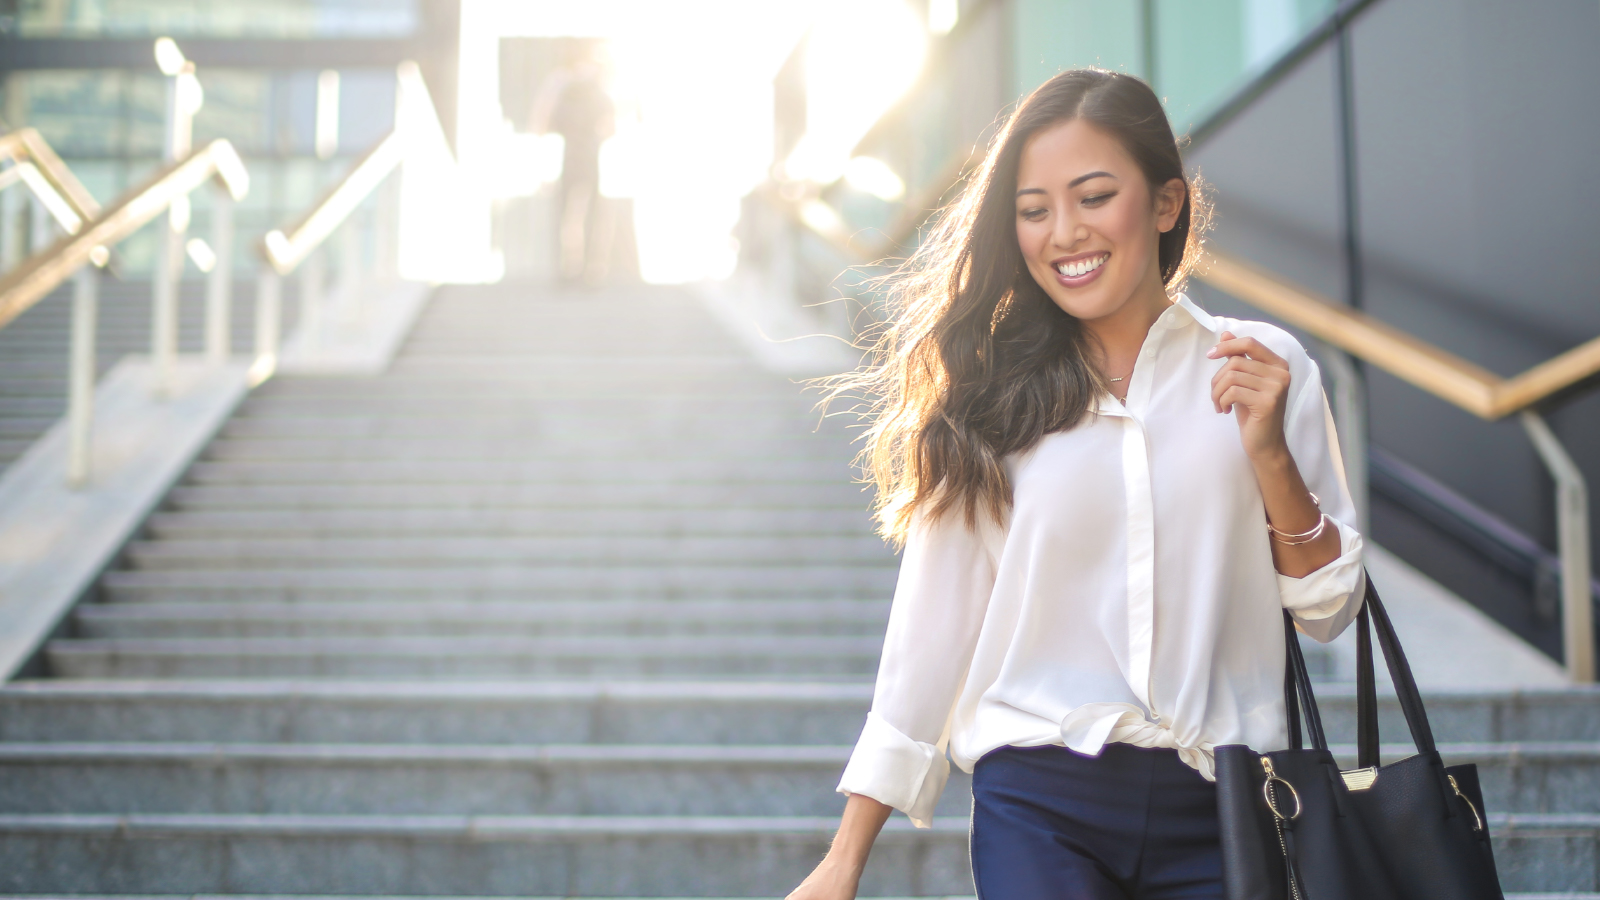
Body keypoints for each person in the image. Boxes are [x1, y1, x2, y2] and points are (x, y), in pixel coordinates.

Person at [789, 69, 1365, 900]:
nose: (1064, 233)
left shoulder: (1264, 369)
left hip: (1228, 802)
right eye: (1034, 210)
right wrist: (845, 858)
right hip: (1040, 798)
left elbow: (1329, 610)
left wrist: (1270, 456)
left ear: (1166, 205)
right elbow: (932, 628)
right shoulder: (987, 396)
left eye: (1094, 197)